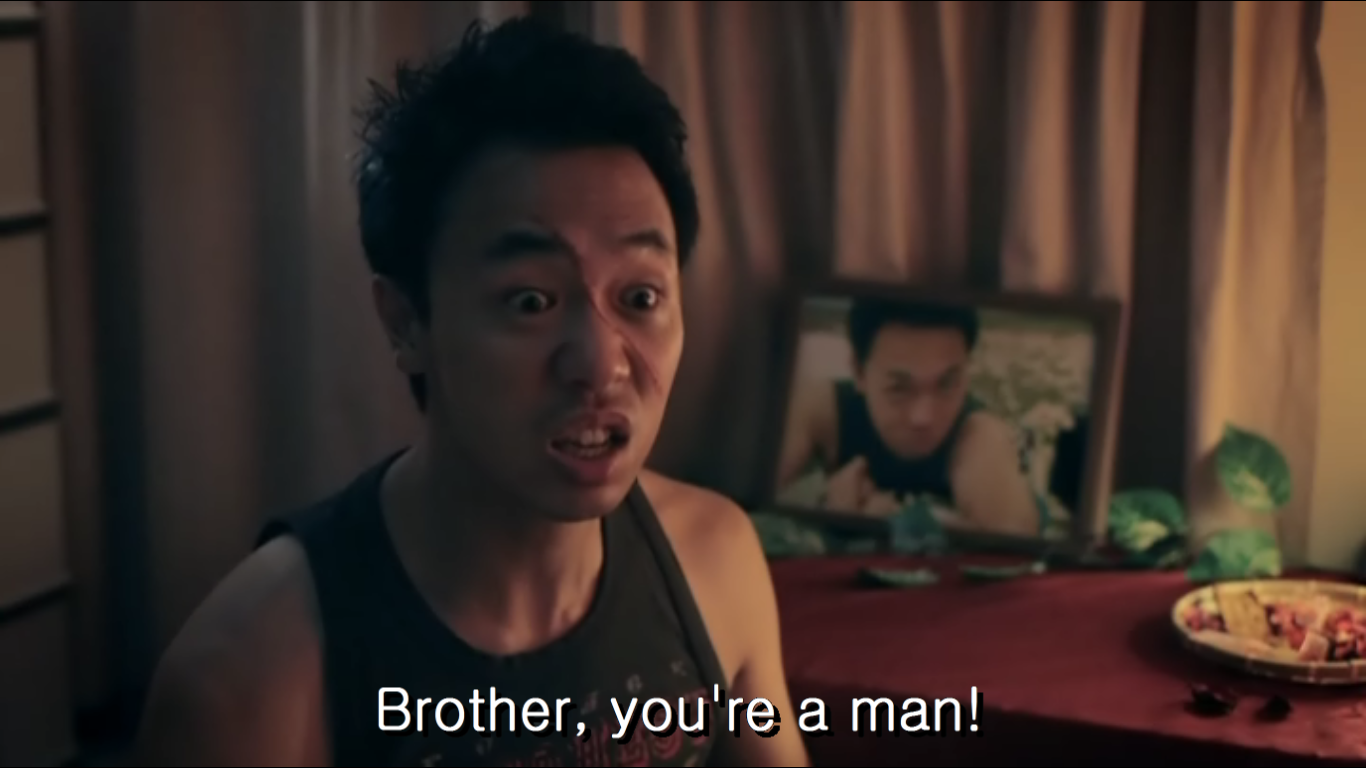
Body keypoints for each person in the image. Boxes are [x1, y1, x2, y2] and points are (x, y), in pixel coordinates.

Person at [133, 18, 809, 768]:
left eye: (641, 297)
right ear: (405, 322)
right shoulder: (248, 673)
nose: (599, 364)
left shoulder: (714, 563)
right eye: (530, 301)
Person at [775, 298, 1042, 537]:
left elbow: (1015, 542)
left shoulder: (979, 436)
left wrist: (895, 522)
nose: (923, 418)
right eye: (899, 388)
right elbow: (749, 500)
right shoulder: (823, 409)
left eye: (946, 384)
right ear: (858, 372)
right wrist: (822, 504)